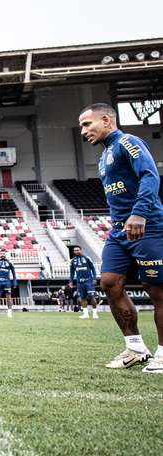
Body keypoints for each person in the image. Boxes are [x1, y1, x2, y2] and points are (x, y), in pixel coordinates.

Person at [79, 103, 163, 371]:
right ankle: (136, 348)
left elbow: (149, 175)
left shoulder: (128, 142)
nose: (83, 131)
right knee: (109, 282)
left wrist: (139, 213)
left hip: (146, 224)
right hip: (118, 230)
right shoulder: (104, 156)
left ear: (106, 120)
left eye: (87, 124)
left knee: (157, 290)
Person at [69, 246, 99, 320]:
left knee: (92, 296)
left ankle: (95, 313)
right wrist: (71, 281)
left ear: (81, 250)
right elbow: (72, 272)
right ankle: (85, 314)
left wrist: (94, 278)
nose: (76, 251)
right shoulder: (73, 260)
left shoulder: (87, 258)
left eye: (78, 250)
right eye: (75, 250)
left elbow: (93, 268)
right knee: (82, 298)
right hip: (80, 282)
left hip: (88, 280)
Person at [0, 253, 17, 318]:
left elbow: (14, 273)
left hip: (7, 282)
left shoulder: (9, 263)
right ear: (0, 255)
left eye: (4, 254)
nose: (2, 255)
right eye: (1, 254)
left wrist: (14, 282)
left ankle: (9, 313)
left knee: (9, 298)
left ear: (6, 255)